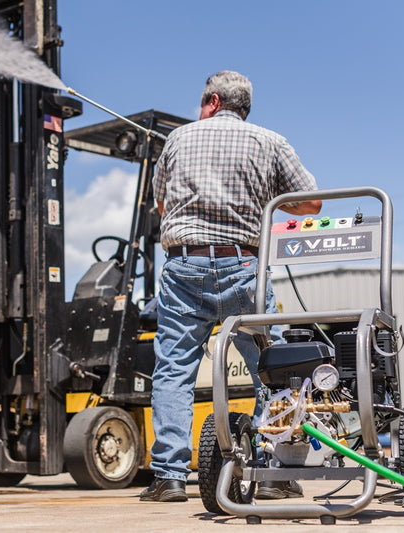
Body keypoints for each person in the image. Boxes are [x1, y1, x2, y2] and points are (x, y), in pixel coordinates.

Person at [140, 70, 322, 503]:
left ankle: (168, 477)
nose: (199, 110)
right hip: (244, 267)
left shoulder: (177, 140)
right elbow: (312, 202)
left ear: (214, 102)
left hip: (185, 267)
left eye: (202, 102)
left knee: (173, 371)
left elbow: (162, 204)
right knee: (276, 369)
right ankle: (275, 472)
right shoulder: (270, 141)